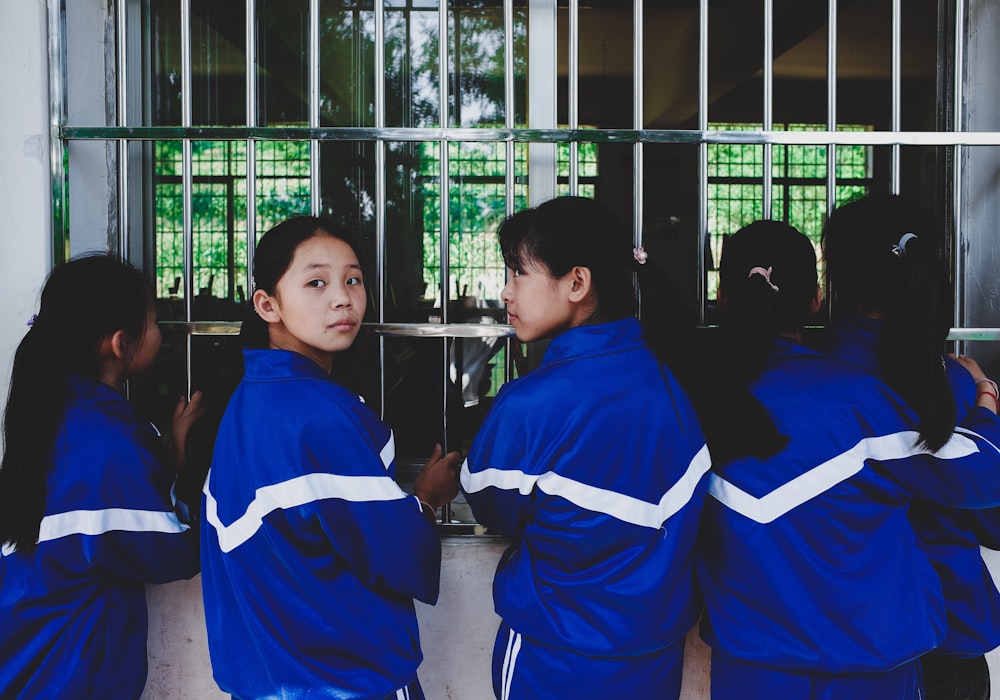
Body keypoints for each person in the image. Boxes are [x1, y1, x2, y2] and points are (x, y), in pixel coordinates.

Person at [696, 219, 1000, 699]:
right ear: (816, 299)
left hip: (751, 667)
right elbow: (983, 476)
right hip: (867, 665)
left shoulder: (685, 396)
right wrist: (986, 399)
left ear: (720, 295)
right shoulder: (858, 399)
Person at [199, 215, 462, 700]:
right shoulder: (319, 414)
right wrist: (424, 498)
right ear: (267, 304)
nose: (342, 298)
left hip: (271, 678)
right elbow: (397, 555)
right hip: (346, 678)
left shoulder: (250, 399)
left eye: (353, 280)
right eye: (316, 282)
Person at [460, 196, 711, 699]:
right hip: (652, 655)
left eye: (517, 274)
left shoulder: (533, 402)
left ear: (577, 283)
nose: (505, 292)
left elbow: (490, 505)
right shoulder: (678, 379)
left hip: (552, 651)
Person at [822, 193, 1000, 700]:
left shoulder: (804, 382)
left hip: (846, 636)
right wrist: (987, 399)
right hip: (951, 629)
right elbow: (992, 521)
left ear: (834, 278)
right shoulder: (955, 382)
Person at [0, 253, 202, 698]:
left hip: (26, 653)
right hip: (62, 674)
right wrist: (187, 464)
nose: (162, 332)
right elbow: (172, 553)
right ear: (119, 343)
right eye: (154, 321)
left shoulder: (58, 416)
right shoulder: (108, 446)